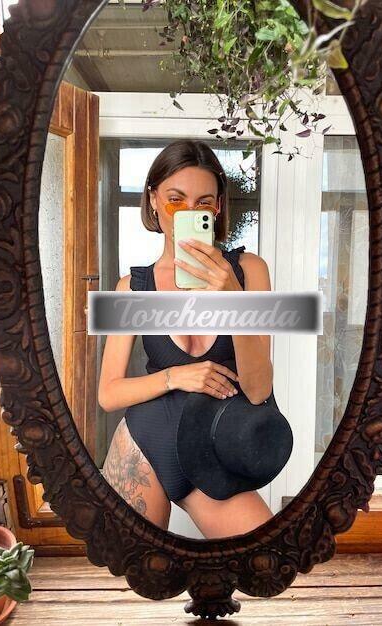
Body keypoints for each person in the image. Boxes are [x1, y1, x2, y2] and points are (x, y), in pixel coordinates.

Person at [98, 139, 275, 539]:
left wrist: (234, 299)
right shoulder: (132, 289)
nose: (188, 213)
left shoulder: (249, 272)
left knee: (270, 562)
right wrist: (175, 377)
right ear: (153, 200)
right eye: (175, 199)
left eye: (202, 203)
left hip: (213, 450)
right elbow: (108, 394)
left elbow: (259, 389)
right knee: (134, 571)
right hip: (145, 440)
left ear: (217, 208)